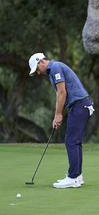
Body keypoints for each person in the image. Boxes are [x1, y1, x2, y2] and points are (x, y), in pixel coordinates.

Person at [28, 52, 95, 188]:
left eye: (37, 69)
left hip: (80, 106)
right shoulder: (53, 72)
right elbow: (61, 95)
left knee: (71, 141)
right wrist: (57, 116)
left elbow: (62, 93)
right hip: (80, 106)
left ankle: (73, 177)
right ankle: (77, 176)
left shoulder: (56, 68)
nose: (39, 73)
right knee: (74, 141)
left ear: (40, 61)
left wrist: (59, 114)